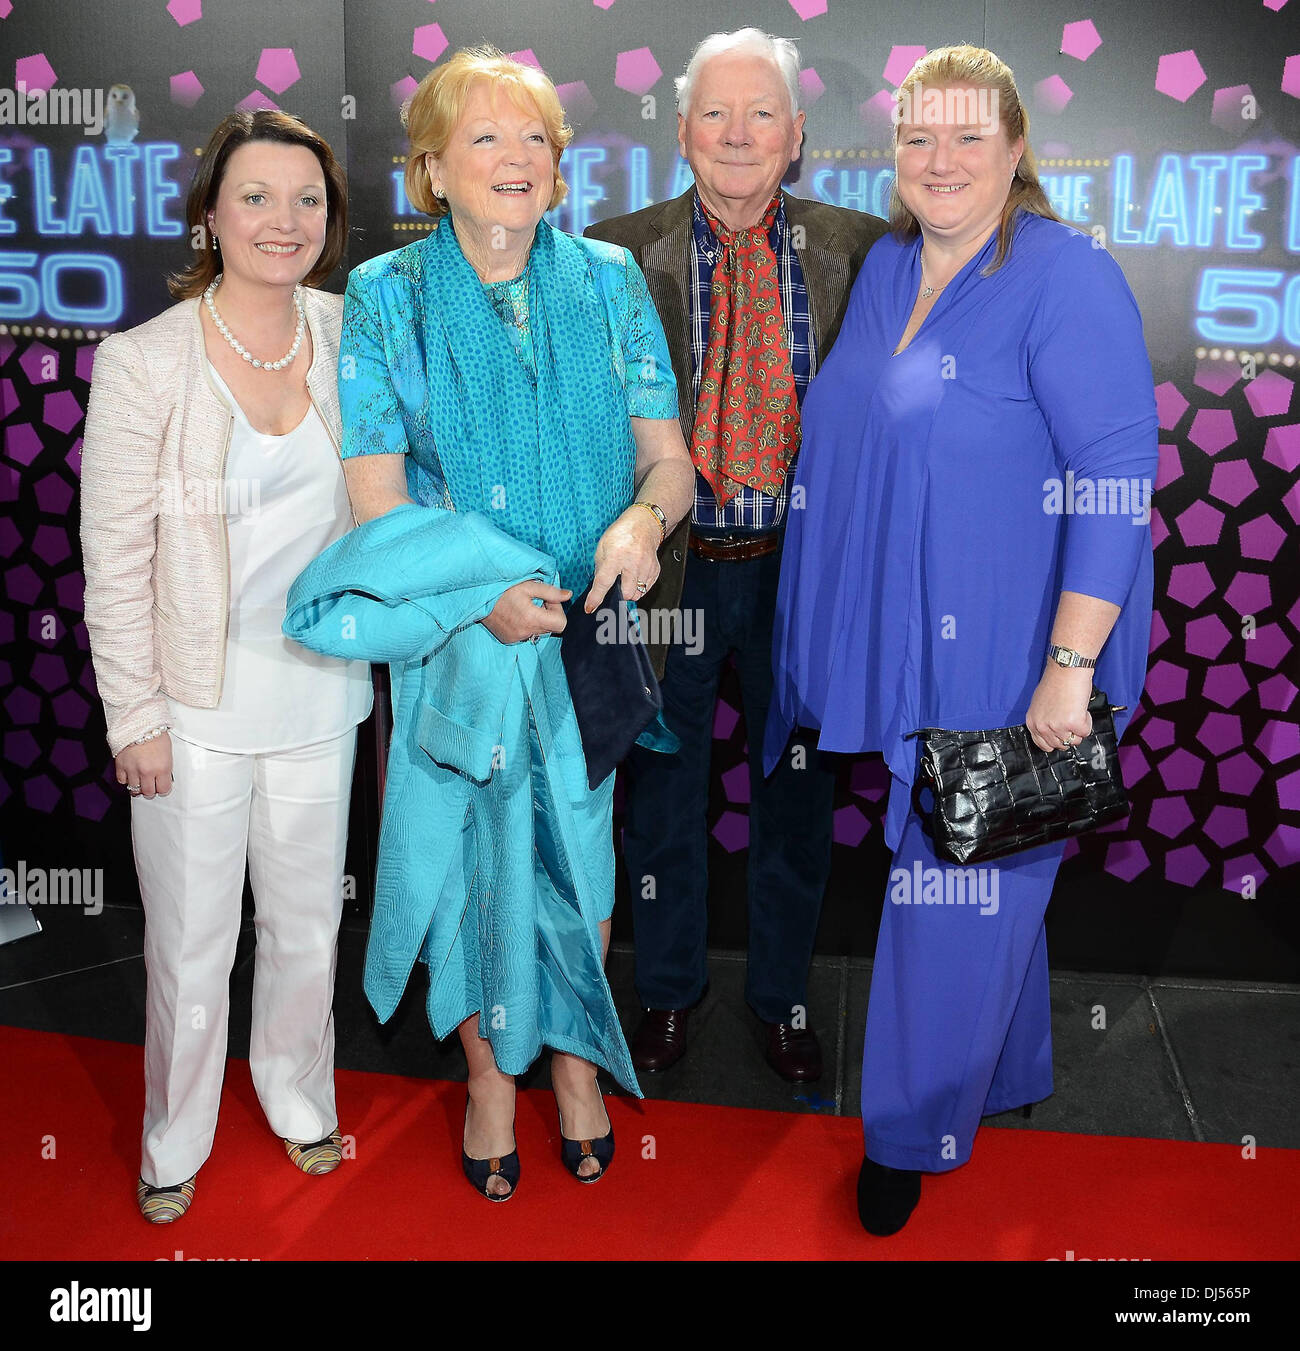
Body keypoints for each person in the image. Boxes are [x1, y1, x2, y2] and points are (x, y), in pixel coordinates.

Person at [282, 46, 694, 1201]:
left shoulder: (612, 280)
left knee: (582, 849)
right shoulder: (386, 294)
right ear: (432, 169)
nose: (517, 159)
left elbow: (670, 463)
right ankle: (483, 1074)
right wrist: (476, 600)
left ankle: (571, 1062)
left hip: (592, 630)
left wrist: (642, 529)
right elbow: (376, 495)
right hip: (459, 634)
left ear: (561, 168)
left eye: (537, 140)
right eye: (485, 139)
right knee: (469, 855)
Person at [766, 45, 1158, 1234]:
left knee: (949, 881)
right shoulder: (886, 268)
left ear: (1016, 148)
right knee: (986, 857)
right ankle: (1007, 1069)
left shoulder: (1062, 275)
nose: (939, 160)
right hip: (909, 641)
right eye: (916, 137)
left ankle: (909, 1133)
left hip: (1016, 648)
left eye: (966, 137)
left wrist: (1069, 669)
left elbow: (1115, 477)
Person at [80, 111, 372, 1223]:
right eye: (254, 197)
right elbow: (116, 560)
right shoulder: (144, 360)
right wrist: (133, 718)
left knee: (306, 928)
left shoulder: (353, 336)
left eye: (304, 200)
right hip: (192, 708)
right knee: (193, 944)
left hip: (323, 695)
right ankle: (172, 1140)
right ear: (210, 214)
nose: (281, 221)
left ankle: (300, 1102)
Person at [586, 28, 887, 1081]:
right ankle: (667, 992)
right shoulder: (610, 251)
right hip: (668, 571)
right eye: (714, 113)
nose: (738, 134)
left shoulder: (863, 247)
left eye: (762, 113)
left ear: (798, 133)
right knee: (661, 797)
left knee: (796, 797)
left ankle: (783, 999)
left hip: (801, 575)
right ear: (679, 132)